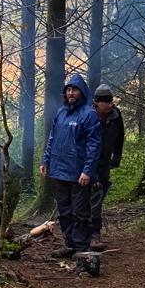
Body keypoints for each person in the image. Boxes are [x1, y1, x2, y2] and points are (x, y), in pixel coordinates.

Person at [40, 73, 102, 258]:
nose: (71, 93)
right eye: (68, 90)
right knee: (64, 210)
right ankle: (69, 244)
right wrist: (46, 160)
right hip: (59, 170)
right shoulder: (61, 112)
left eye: (74, 90)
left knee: (80, 211)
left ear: (82, 92)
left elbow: (94, 145)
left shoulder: (89, 115)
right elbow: (52, 139)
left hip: (78, 173)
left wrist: (87, 171)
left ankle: (82, 248)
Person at [89, 84, 125, 251]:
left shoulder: (116, 116)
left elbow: (120, 137)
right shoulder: (89, 116)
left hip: (104, 162)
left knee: (99, 197)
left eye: (111, 101)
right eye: (106, 102)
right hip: (87, 163)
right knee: (91, 198)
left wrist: (116, 158)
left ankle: (93, 233)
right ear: (97, 103)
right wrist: (92, 174)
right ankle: (91, 235)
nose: (110, 105)